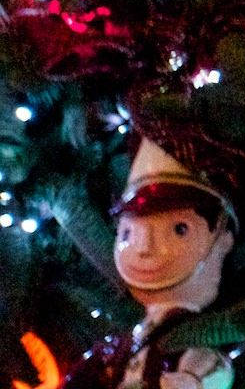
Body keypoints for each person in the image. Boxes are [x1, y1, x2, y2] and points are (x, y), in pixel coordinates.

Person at [68, 136, 235, 389]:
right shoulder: (128, 340)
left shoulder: (197, 340)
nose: (144, 248)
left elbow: (212, 372)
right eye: (127, 234)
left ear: (223, 240)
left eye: (180, 229)